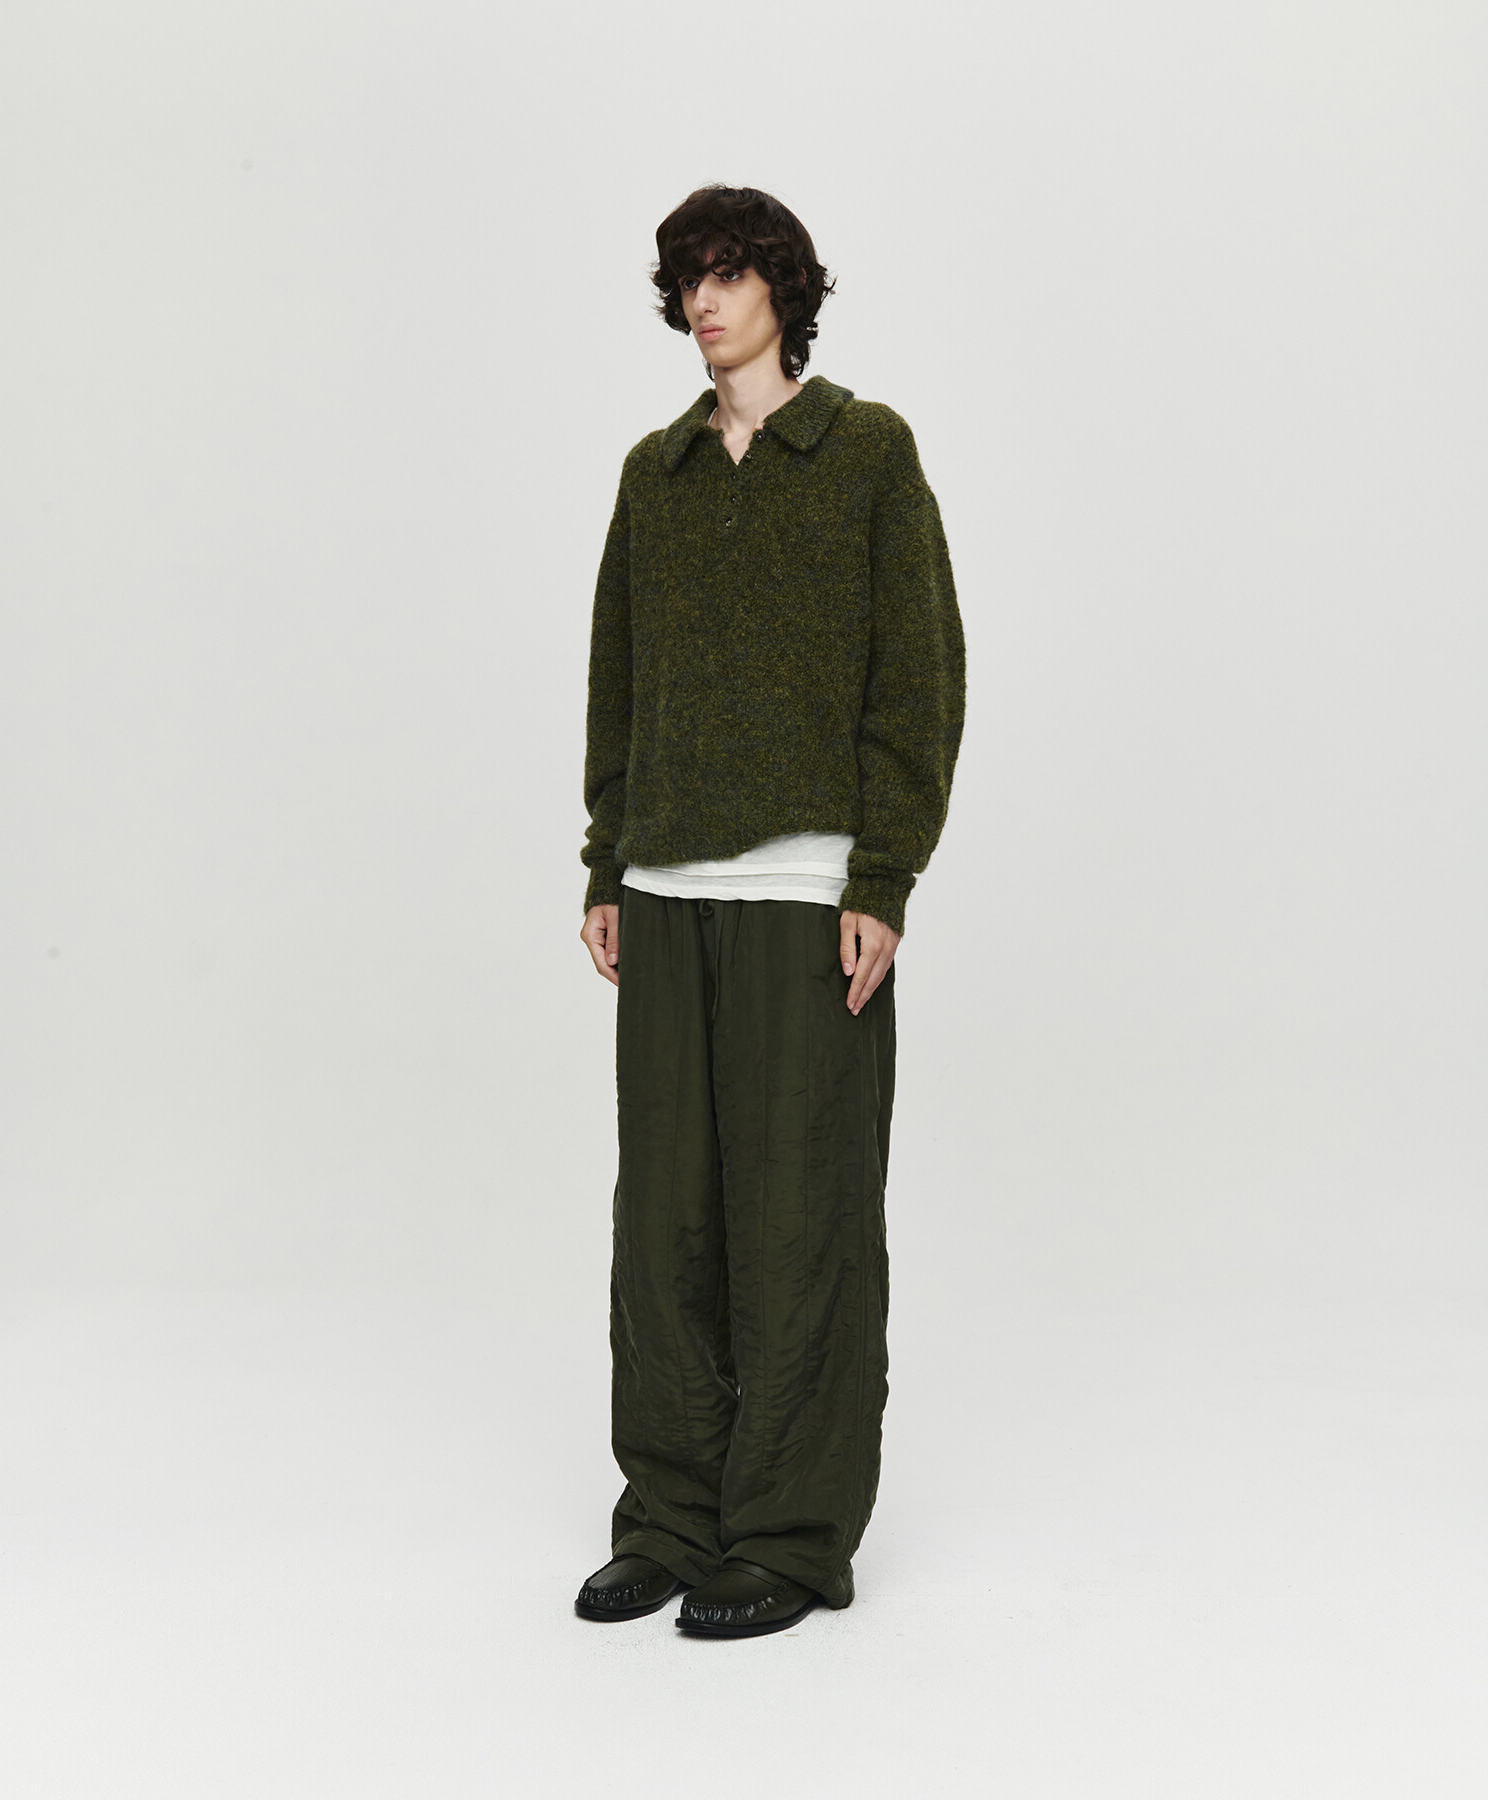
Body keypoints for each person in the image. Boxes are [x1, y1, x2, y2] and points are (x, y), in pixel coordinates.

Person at [575, 184, 966, 1639]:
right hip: (666, 891)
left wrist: (882, 880)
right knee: (665, 1225)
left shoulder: (865, 452)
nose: (704, 303)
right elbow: (618, 678)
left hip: (806, 894)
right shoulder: (656, 472)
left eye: (731, 276)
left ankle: (791, 1534)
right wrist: (607, 863)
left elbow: (918, 676)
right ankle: (674, 1513)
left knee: (802, 1218)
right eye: (688, 279)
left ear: (784, 293)